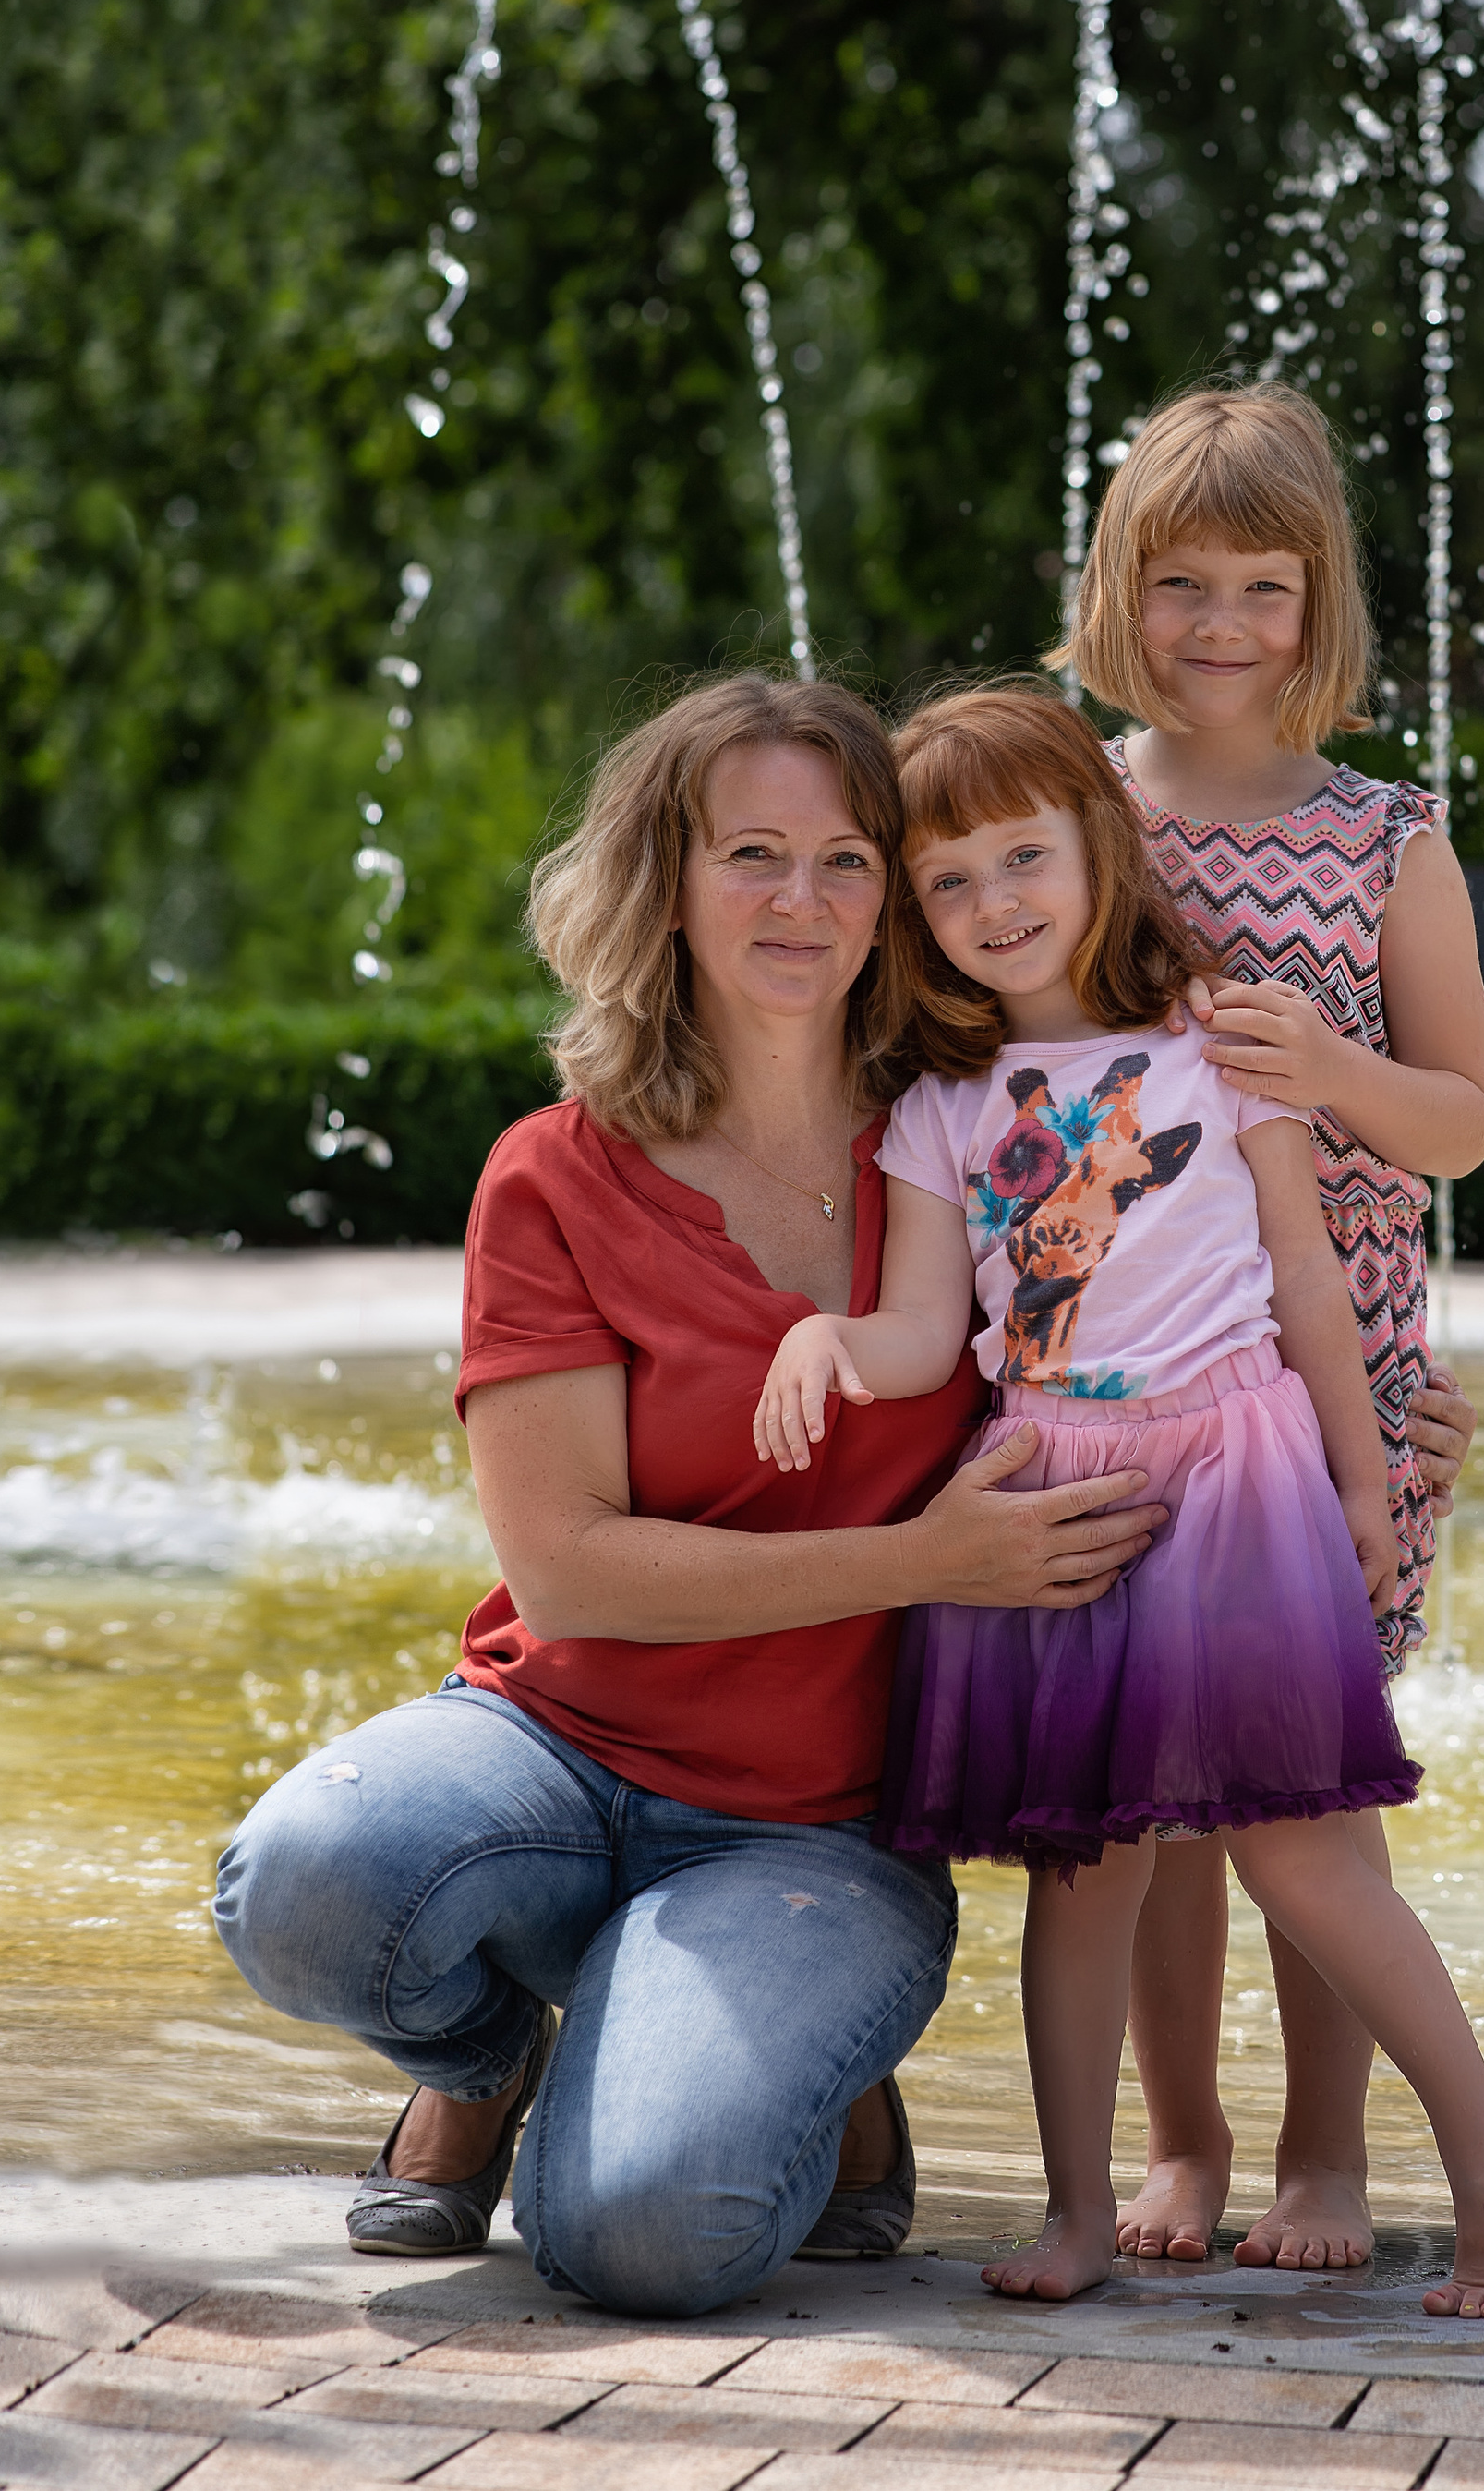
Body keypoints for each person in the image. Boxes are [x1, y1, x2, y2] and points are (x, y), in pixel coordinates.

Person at [212, 673, 1166, 2320]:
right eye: (752, 854)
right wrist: (924, 1559)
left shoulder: (985, 1145)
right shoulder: (555, 1172)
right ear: (666, 881)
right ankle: (495, 2048)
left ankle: (790, 2064)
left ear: (892, 900)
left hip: (818, 1830)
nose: (803, 900)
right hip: (551, 1751)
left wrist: (1380, 1406)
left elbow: (1196, 1302)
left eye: (849, 859)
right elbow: (570, 1572)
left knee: (643, 2239)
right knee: (302, 1877)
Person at [754, 684, 1484, 2318]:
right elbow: (922, 1332)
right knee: (1083, 1869)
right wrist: (830, 1338)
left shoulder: (1215, 1044)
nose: (995, 905)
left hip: (1240, 1461)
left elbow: (1310, 1284)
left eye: (1024, 859)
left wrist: (1362, 1482)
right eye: (950, 881)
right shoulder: (940, 1107)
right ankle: (1081, 2200)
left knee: (1305, 1857)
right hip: (1057, 1483)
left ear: (1097, 849)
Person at [1061, 381, 1484, 2272]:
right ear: (1115, 589)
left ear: (1318, 602)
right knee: (1155, 1799)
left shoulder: (1382, 836)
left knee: (1302, 1779)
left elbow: (1466, 1115)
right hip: (1130, 1368)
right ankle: (1185, 2138)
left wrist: (1329, 1067)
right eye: (1179, 583)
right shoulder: (1069, 809)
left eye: (1262, 582)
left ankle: (1333, 2147)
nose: (1221, 623)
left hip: (1341, 1375)